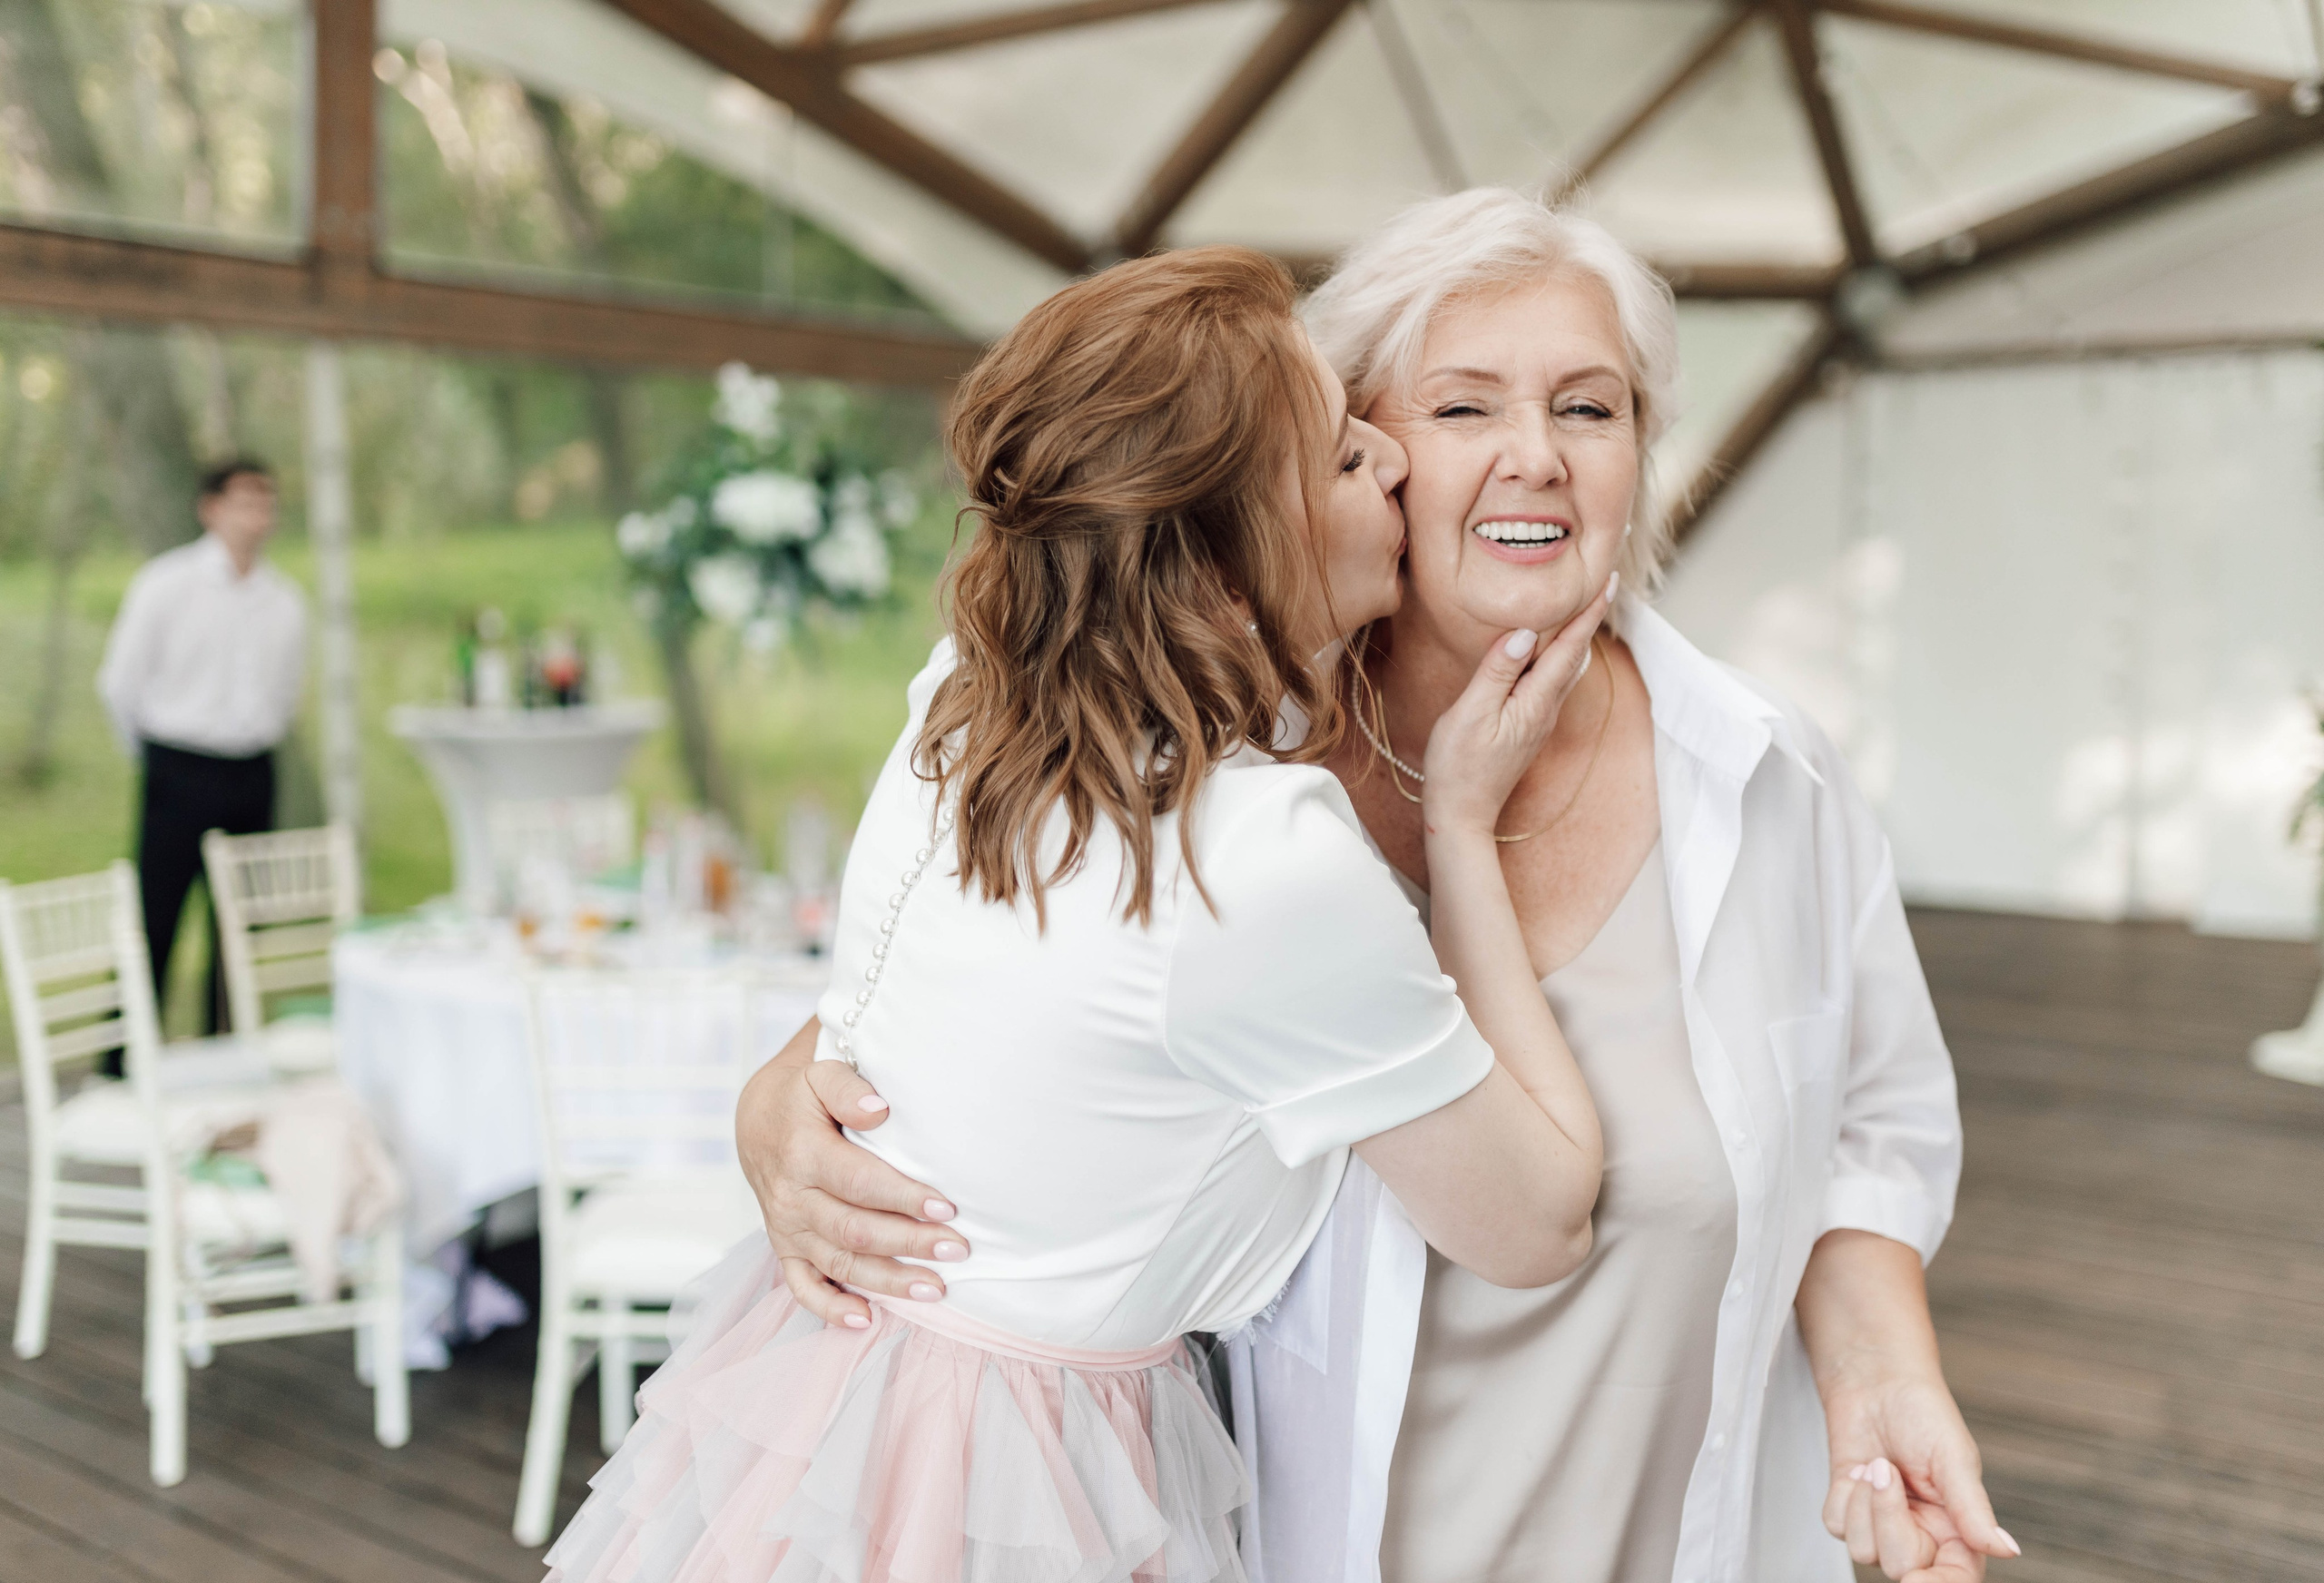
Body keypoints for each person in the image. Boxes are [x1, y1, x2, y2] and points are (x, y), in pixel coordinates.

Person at [738, 193, 2012, 1583]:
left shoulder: (1766, 777)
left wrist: (1884, 1377)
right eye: (1462, 408)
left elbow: (1873, 1125)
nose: (1538, 457)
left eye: (1589, 409)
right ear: (1333, 457)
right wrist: (785, 1095)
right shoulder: (1210, 793)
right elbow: (1016, 1000)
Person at [544, 247, 1611, 1581]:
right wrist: (1459, 822)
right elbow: (1539, 1222)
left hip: (827, 1399)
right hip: (1003, 1471)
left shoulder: (964, 700)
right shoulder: (1252, 861)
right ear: (1225, 575)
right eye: (1344, 458)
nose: (1394, 461)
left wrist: (775, 1096)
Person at [96, 458, 306, 1063]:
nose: (257, 516)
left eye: (266, 503)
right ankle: (121, 1061)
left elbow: (286, 693)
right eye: (244, 502)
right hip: (177, 767)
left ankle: (229, 1053)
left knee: (240, 925)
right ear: (211, 509)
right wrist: (154, 758)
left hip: (252, 771)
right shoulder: (166, 585)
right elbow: (120, 684)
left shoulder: (286, 602)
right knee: (154, 917)